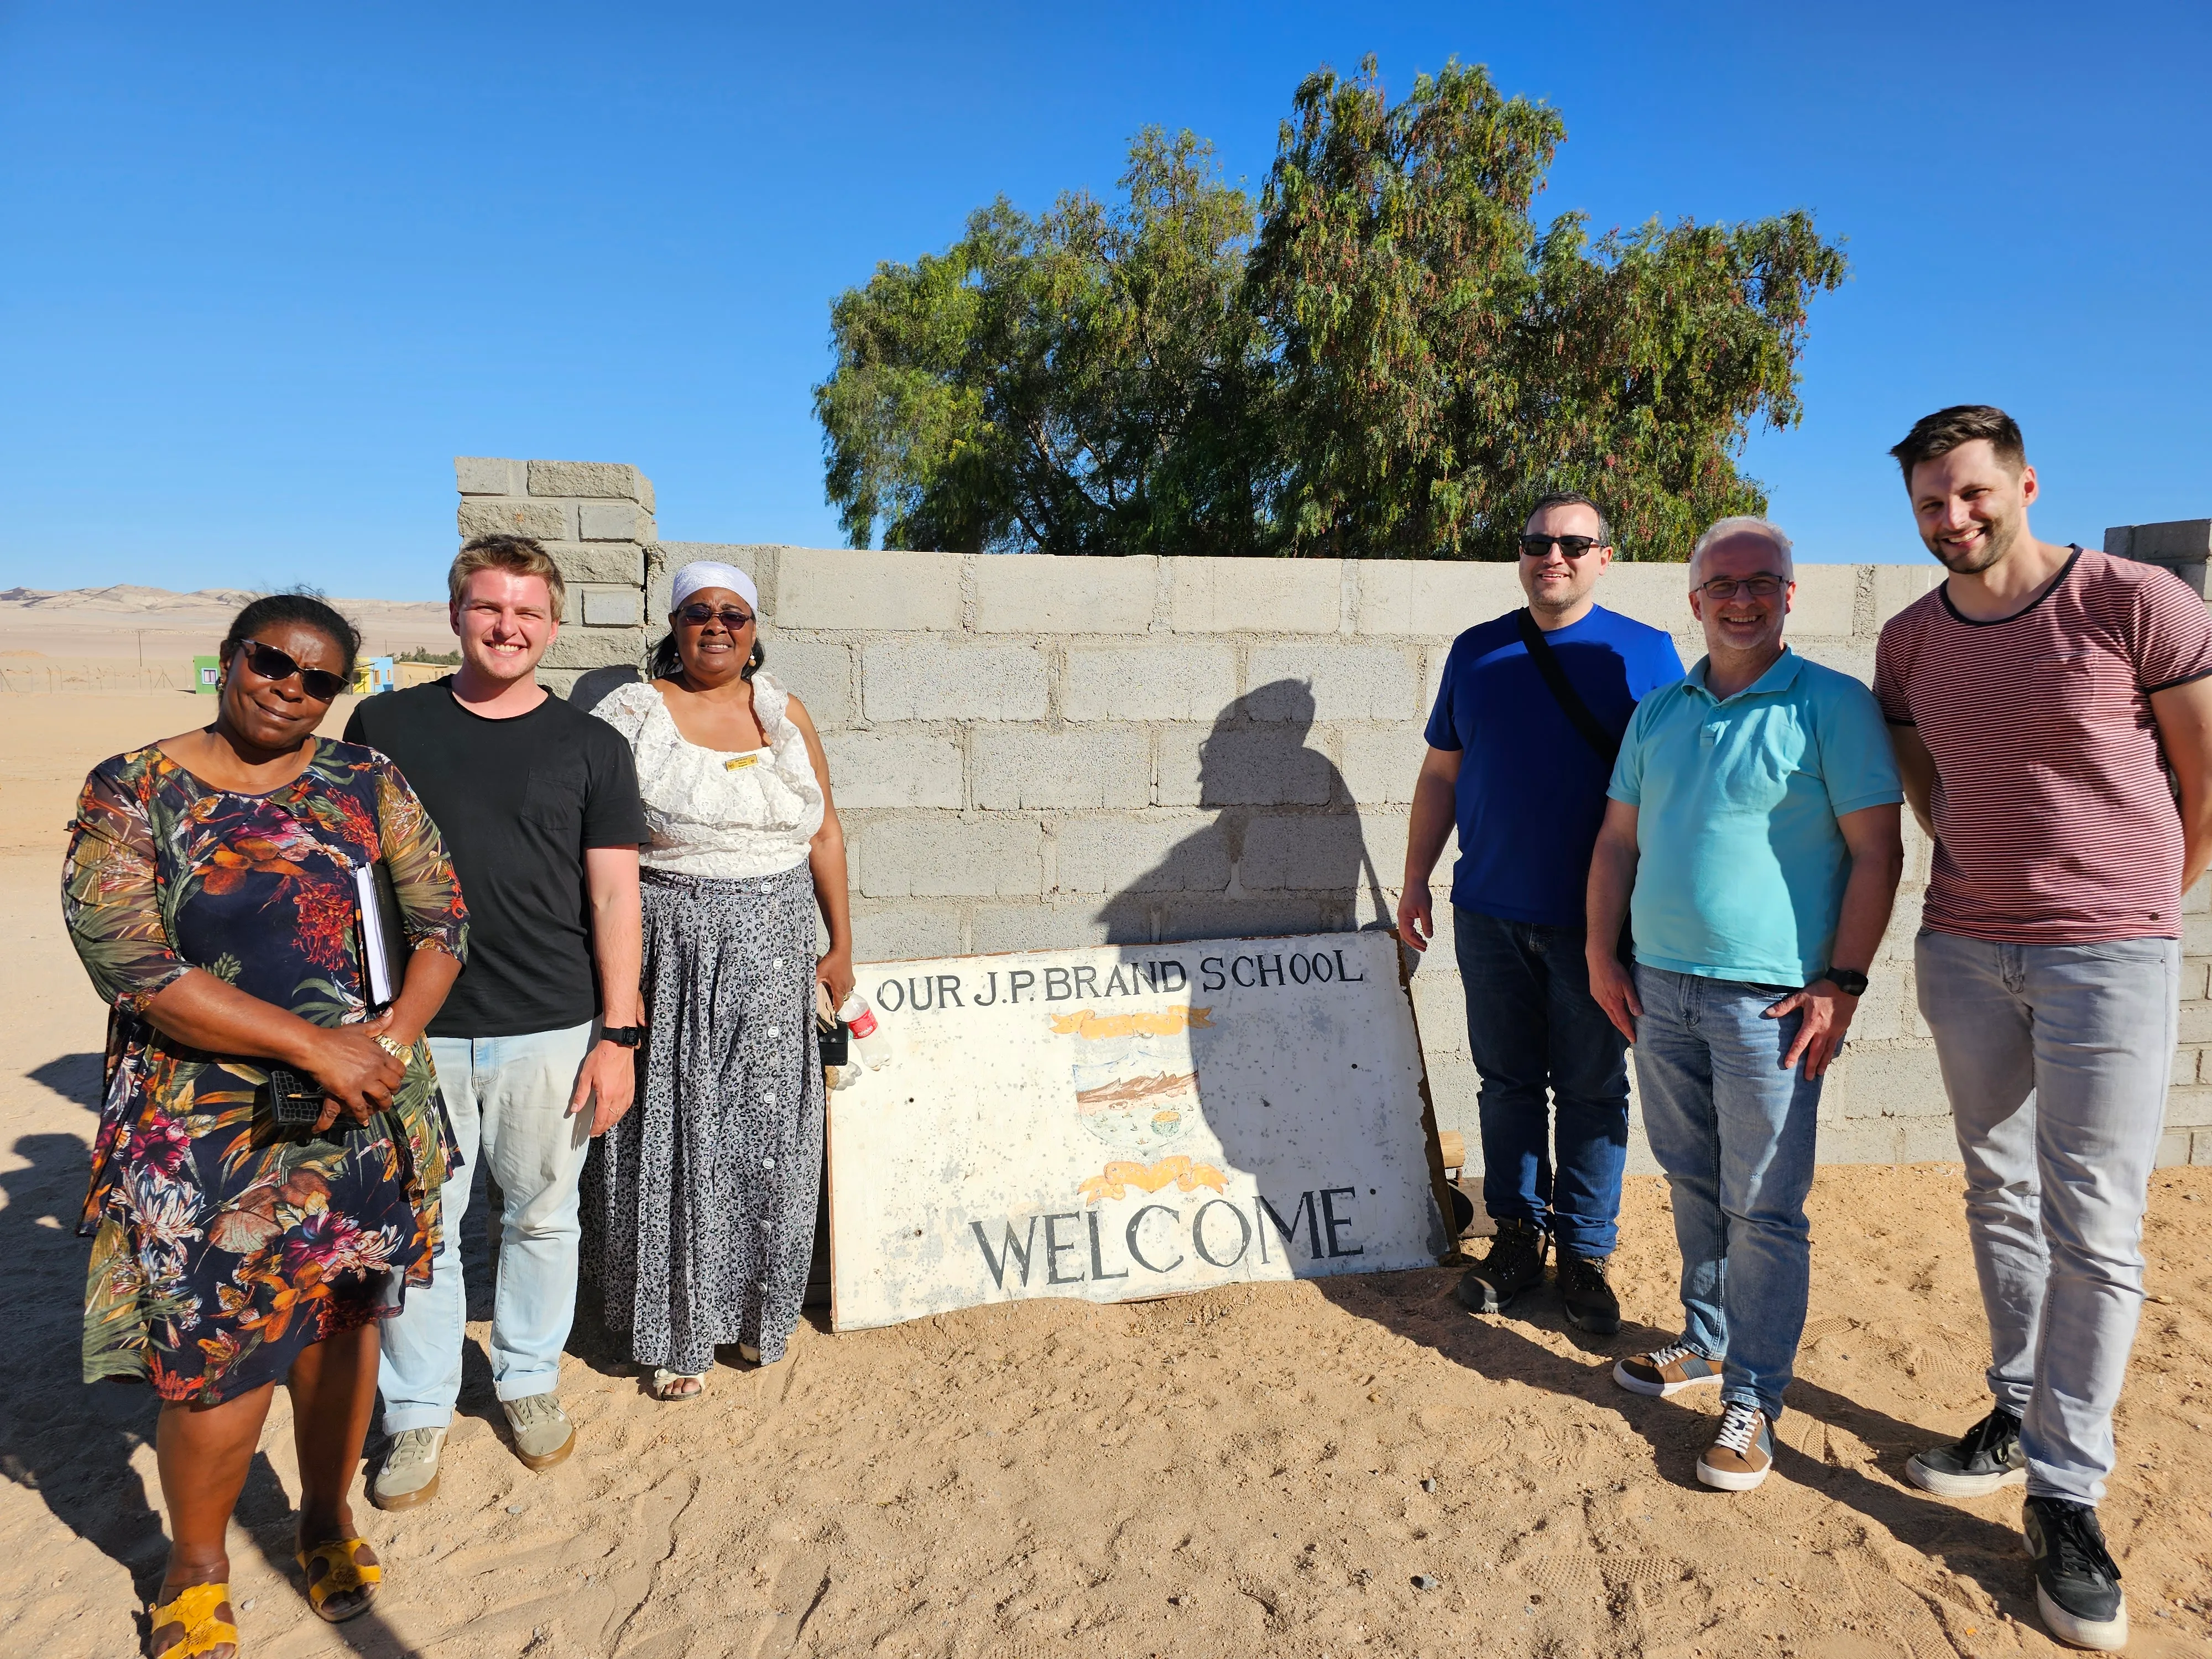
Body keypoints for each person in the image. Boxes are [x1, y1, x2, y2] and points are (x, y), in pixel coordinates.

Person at [62, 594, 468, 1659]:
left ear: (339, 692)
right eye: (271, 662)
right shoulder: (134, 789)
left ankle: (324, 1522)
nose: (289, 687)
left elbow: (443, 920)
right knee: (215, 1358)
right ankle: (195, 1570)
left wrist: (386, 1042)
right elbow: (133, 962)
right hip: (201, 1130)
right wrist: (314, 1045)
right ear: (232, 658)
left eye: (317, 679)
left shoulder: (363, 783)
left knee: (342, 1334)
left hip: (360, 1115)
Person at [1875, 407, 2212, 1651]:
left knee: (2097, 1222)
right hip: (1963, 947)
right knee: (1999, 1193)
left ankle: (2066, 1495)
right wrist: (1982, 874)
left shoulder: (2131, 602)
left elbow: (2201, 765)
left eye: (1968, 494)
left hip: (2107, 958)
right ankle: (2013, 1412)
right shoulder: (1908, 641)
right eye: (1927, 505)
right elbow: (1921, 778)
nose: (1950, 519)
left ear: (2021, 482)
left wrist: (2133, 898)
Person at [1587, 519, 1903, 1493]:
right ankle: (1707, 1340)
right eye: (1721, 584)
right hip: (1660, 985)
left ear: (1789, 595)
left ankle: (1755, 1401)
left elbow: (1878, 853)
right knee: (1690, 1179)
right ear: (1694, 601)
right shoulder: (1660, 711)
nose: (1740, 598)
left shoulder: (1833, 706)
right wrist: (1604, 952)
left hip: (1772, 1006)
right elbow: (1616, 844)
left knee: (1764, 1208)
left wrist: (1841, 984)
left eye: (1761, 582)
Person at [345, 534, 647, 1509]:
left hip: (551, 1027)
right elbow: (346, 878)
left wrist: (620, 1033)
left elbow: (614, 898)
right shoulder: (384, 724)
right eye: (489, 608)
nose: (507, 627)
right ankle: (419, 1411)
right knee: (420, 1226)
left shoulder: (592, 747)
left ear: (553, 627)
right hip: (417, 1030)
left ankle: (526, 1381)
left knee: (543, 1219)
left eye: (527, 612)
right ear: (455, 615)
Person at [1398, 492, 1683, 1334]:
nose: (1551, 555)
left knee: (1593, 1090)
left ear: (1604, 556)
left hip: (1597, 923)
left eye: (1572, 542)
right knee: (1507, 1083)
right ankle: (1517, 1239)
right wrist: (1416, 879)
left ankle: (1585, 1254)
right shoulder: (1477, 652)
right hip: (1488, 911)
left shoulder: (1647, 654)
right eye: (1535, 542)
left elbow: (1675, 790)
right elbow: (1440, 777)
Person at [585, 560, 854, 1400]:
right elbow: (596, 852)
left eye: (734, 615)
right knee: (680, 1131)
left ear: (753, 627)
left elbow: (826, 835)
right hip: (674, 948)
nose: (717, 626)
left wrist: (842, 943)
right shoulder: (631, 714)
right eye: (699, 612)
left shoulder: (784, 712)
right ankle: (676, 1329)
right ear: (672, 623)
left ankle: (757, 1312)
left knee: (769, 1137)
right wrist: (615, 985)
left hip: (779, 951)